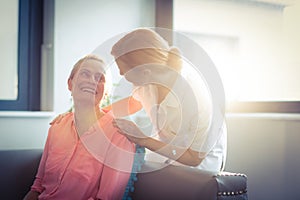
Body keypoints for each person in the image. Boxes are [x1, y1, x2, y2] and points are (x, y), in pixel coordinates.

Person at [110, 28, 227, 172]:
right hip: (165, 154)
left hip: (198, 165)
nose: (121, 74)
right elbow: (132, 103)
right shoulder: (146, 83)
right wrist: (96, 113)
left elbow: (194, 158)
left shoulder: (198, 97)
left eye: (122, 70)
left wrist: (142, 138)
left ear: (145, 73)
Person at [23, 55, 135, 200]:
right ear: (70, 84)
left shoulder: (118, 135)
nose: (92, 81)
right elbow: (37, 186)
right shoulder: (57, 127)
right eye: (85, 73)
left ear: (106, 91)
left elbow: (106, 198)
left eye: (99, 78)